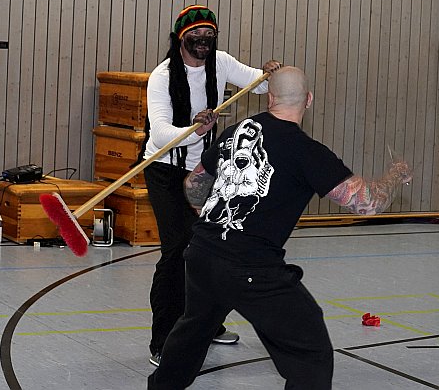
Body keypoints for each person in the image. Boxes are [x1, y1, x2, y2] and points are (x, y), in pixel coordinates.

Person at [147, 66, 412, 389]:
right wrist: (395, 176)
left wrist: (219, 218)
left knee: (191, 336)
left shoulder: (237, 132)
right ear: (309, 100)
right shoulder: (306, 152)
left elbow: (193, 185)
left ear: (270, 98)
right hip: (250, 267)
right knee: (311, 353)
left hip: (201, 255)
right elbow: (368, 203)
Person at [142, 4, 282, 367]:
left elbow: (258, 83)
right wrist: (194, 129)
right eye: (195, 36)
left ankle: (208, 322)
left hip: (205, 171)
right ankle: (164, 339)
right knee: (177, 251)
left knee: (214, 249)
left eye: (209, 35)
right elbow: (160, 135)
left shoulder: (220, 62)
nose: (203, 41)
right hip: (165, 170)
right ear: (180, 38)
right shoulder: (162, 76)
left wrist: (271, 73)